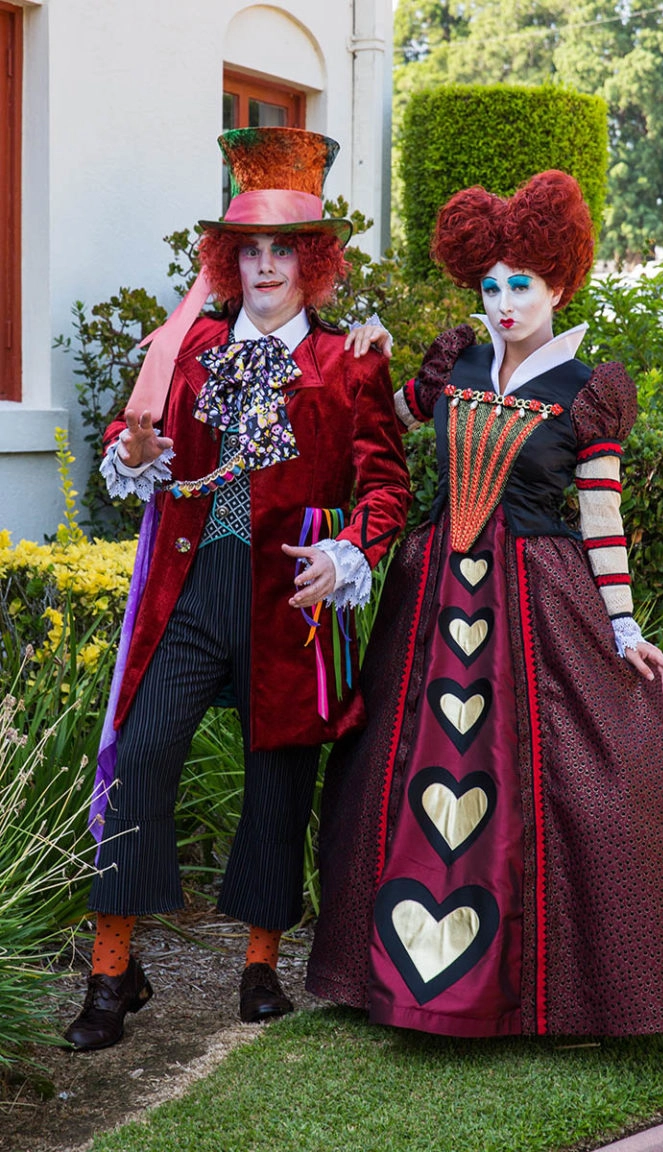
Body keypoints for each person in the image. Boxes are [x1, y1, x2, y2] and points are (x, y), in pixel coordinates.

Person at [306, 170, 663, 1037]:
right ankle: (396, 976)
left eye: (521, 284)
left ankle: (556, 986)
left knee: (569, 779)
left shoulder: (586, 390)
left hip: (535, 595)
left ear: (559, 284)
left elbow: (601, 517)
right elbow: (379, 420)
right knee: (400, 772)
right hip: (430, 592)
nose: (505, 302)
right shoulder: (454, 363)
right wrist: (363, 353)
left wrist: (623, 627)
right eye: (491, 286)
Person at [63, 127, 411, 1051]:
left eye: (282, 251)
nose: (264, 266)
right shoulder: (187, 350)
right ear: (228, 261)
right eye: (249, 250)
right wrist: (135, 450)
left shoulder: (350, 362)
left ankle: (260, 967)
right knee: (141, 757)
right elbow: (134, 445)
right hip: (189, 593)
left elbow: (386, 488)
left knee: (278, 782)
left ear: (313, 263)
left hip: (289, 597)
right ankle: (112, 973)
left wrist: (345, 553)